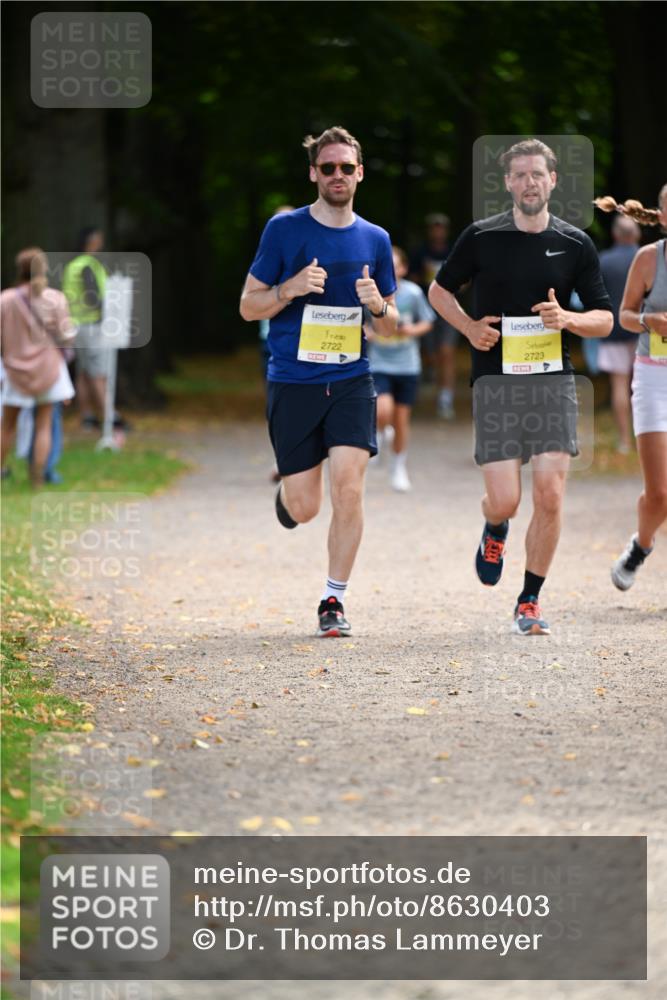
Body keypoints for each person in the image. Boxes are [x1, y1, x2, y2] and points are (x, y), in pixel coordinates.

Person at [429, 139, 613, 635]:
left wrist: (568, 318)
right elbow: (439, 291)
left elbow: (604, 319)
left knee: (550, 494)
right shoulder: (481, 237)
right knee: (507, 500)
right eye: (520, 175)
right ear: (507, 182)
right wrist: (468, 328)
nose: (529, 183)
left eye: (538, 175)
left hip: (554, 381)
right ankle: (495, 526)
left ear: (553, 181)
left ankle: (529, 600)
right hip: (496, 381)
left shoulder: (575, 242)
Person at [240, 126, 397, 637]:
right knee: (307, 507)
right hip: (294, 380)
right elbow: (248, 306)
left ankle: (334, 600)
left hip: (353, 379)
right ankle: (287, 499)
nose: (337, 175)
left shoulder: (376, 238)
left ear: (360, 173)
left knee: (348, 488)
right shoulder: (283, 231)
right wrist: (288, 288)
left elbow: (390, 324)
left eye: (345, 168)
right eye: (327, 168)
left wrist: (377, 304)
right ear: (313, 173)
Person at [598, 188, 667, 590]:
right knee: (659, 493)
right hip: (655, 376)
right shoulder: (648, 258)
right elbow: (622, 315)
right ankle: (641, 545)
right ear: (661, 217)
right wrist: (649, 321)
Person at [1, 248, 75, 487]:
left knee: (7, 425)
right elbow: (66, 336)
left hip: (15, 370)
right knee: (44, 424)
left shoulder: (6, 299)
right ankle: (37, 478)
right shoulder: (55, 298)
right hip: (48, 369)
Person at [366, 245, 435, 492]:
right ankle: (381, 432)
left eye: (397, 266)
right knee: (382, 411)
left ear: (404, 268)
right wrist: (368, 333)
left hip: (407, 365)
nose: (392, 271)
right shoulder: (371, 293)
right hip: (379, 363)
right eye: (388, 266)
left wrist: (412, 330)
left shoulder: (413, 293)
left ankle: (398, 467)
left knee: (402, 420)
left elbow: (427, 322)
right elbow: (360, 321)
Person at [598, 215, 641, 453]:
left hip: (612, 329)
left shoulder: (603, 261)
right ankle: (647, 437)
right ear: (636, 234)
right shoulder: (648, 257)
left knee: (620, 385)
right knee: (649, 385)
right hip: (645, 329)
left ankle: (624, 440)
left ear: (615, 235)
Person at [410, 213, 458, 419]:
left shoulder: (455, 251)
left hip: (449, 308)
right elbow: (410, 277)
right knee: (430, 352)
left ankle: (445, 398)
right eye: (434, 227)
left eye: (441, 227)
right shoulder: (420, 252)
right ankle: (429, 373)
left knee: (446, 352)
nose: (438, 231)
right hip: (426, 309)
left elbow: (467, 279)